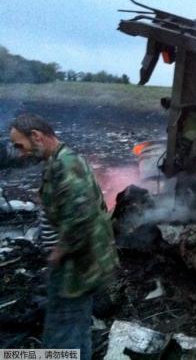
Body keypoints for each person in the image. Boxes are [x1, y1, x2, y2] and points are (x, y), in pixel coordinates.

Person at [10, 113, 118, 360]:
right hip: (76, 264)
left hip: (75, 268)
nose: (20, 153)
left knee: (63, 333)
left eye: (20, 145)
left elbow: (82, 218)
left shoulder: (66, 165)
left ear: (36, 136)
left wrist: (57, 254)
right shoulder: (59, 160)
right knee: (74, 330)